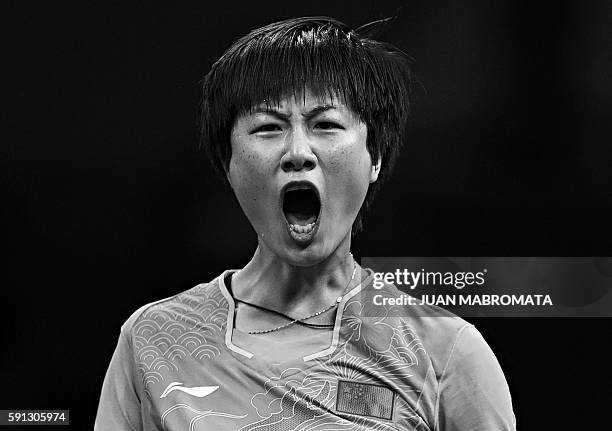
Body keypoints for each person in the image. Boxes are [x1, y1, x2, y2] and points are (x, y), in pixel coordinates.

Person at [95, 16, 516, 430]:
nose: (298, 151)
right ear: (228, 162)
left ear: (376, 158)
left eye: (326, 124)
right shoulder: (152, 339)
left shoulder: (443, 350)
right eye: (268, 127)